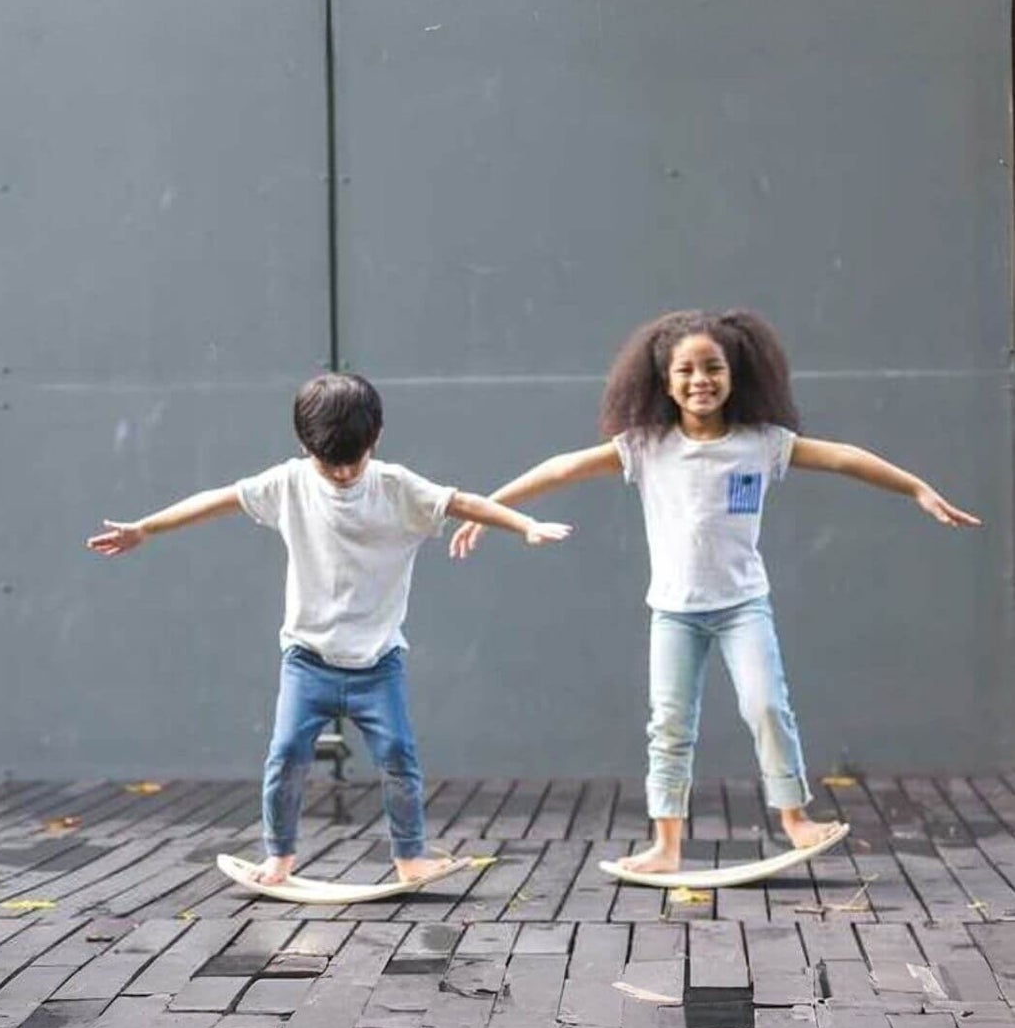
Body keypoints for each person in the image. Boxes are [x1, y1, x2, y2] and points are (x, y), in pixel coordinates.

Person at [449, 309, 980, 874]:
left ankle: (795, 818)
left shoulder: (763, 444)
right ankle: (667, 844)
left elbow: (845, 458)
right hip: (673, 613)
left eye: (712, 367)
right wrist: (491, 507)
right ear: (664, 380)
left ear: (735, 374)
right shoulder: (645, 446)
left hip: (742, 607)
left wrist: (916, 488)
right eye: (686, 370)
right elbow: (562, 469)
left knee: (767, 706)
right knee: (670, 726)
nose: (700, 380)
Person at [88, 371, 573, 885]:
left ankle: (411, 858)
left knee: (397, 756)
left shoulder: (396, 487)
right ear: (304, 445)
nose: (342, 474)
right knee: (286, 757)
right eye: (329, 464)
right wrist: (145, 528)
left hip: (378, 663)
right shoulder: (289, 483)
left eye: (353, 461)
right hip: (306, 659)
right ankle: (278, 857)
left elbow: (461, 502)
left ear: (376, 438)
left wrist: (524, 526)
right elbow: (217, 499)